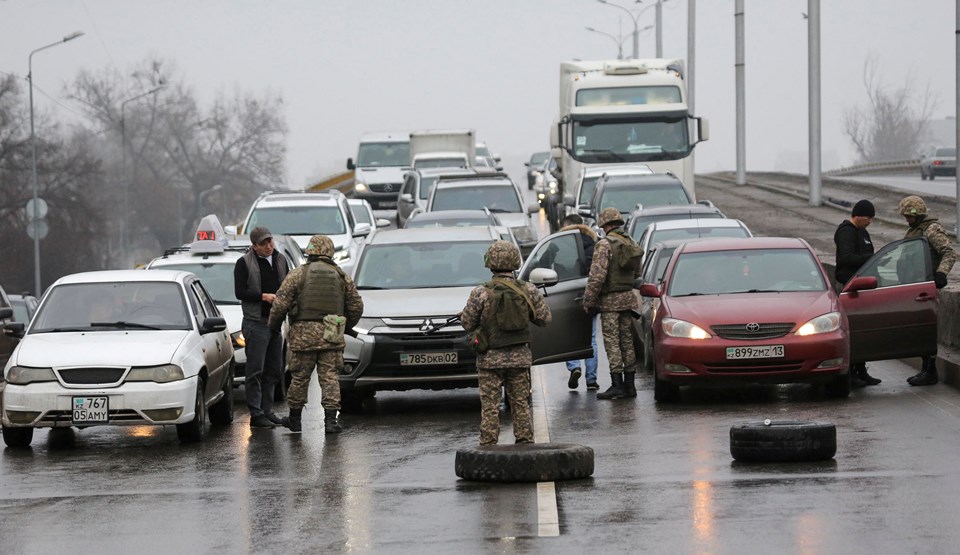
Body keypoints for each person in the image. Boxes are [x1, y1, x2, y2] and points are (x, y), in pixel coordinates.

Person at [268, 235, 363, 434]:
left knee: (300, 378)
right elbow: (356, 306)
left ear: (310, 252)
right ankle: (330, 422)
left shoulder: (298, 275)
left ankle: (294, 420)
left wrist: (273, 326)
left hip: (304, 337)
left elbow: (280, 304)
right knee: (330, 378)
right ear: (329, 251)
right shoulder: (341, 275)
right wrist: (344, 324)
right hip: (332, 335)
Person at [460, 240, 551, 446]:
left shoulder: (481, 292)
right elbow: (545, 318)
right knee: (520, 404)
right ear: (516, 262)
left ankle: (489, 446)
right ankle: (525, 443)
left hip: (489, 360)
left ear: (490, 263)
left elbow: (467, 322)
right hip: (519, 359)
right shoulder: (528, 289)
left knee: (490, 407)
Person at [583, 207, 644, 400]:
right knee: (627, 342)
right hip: (627, 300)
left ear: (605, 225)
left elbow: (597, 277)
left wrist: (588, 301)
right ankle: (630, 386)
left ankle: (617, 385)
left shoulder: (605, 245)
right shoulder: (630, 242)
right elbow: (638, 274)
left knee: (612, 343)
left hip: (609, 302)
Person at [234, 226, 289, 429]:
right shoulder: (244, 263)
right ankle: (256, 414)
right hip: (256, 323)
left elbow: (289, 284)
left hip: (275, 322)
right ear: (254, 246)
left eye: (270, 241)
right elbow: (239, 292)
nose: (268, 246)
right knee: (255, 370)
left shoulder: (281, 259)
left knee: (274, 370)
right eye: (263, 243)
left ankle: (267, 411)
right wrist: (262, 296)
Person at [898, 195, 957, 386]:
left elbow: (949, 252)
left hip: (927, 287)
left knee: (926, 329)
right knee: (919, 329)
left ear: (919, 213)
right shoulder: (913, 231)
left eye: (909, 216)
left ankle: (930, 370)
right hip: (914, 286)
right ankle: (926, 368)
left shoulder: (932, 229)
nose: (907, 219)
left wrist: (941, 274)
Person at [834, 199, 881, 387]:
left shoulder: (863, 232)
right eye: (868, 217)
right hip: (850, 287)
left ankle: (862, 371)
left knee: (862, 331)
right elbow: (846, 258)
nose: (869, 221)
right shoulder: (846, 231)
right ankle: (851, 372)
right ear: (858, 215)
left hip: (863, 286)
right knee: (852, 331)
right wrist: (871, 259)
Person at [559, 214, 600, 391]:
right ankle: (591, 380)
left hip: (566, 294)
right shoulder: (594, 243)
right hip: (589, 294)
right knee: (591, 338)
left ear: (566, 225)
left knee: (569, 336)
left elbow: (551, 264)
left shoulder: (561, 243)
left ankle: (574, 366)